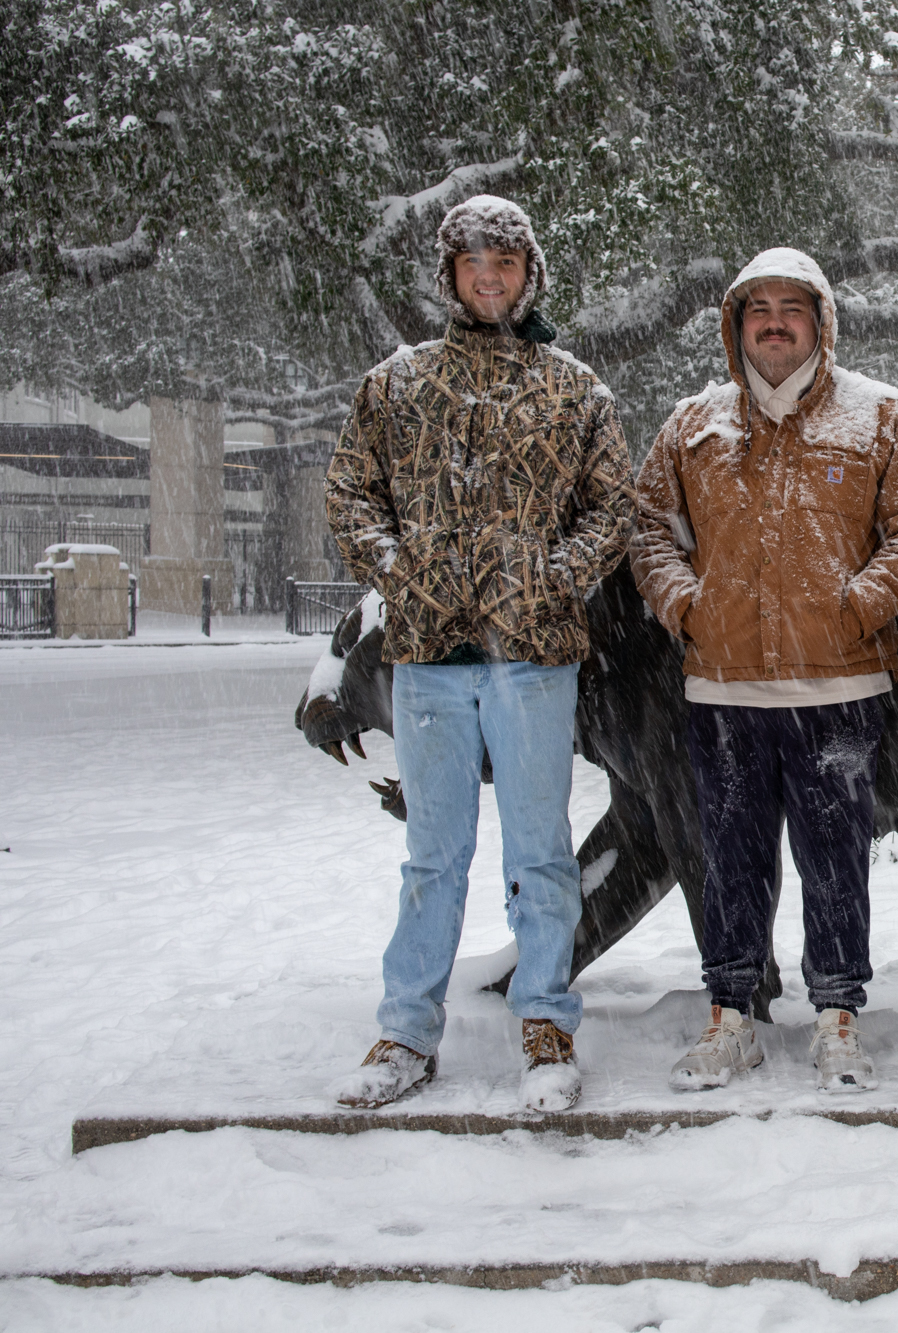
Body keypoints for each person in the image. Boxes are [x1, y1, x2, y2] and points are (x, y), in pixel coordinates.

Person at [325, 195, 634, 1113]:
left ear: (528, 272)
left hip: (534, 655)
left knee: (538, 849)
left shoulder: (576, 389)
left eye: (504, 260)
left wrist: (555, 572)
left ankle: (546, 1019)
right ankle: (407, 1027)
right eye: (472, 263)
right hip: (428, 655)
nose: (489, 275)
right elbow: (350, 495)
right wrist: (397, 570)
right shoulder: (398, 383)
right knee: (434, 851)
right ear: (450, 277)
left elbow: (611, 508)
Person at [630, 248, 898, 1094]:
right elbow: (648, 528)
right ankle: (731, 1016)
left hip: (839, 689)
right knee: (730, 859)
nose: (774, 320)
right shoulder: (694, 424)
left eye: (791, 307)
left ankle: (839, 1015)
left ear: (820, 321)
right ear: (736, 325)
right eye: (757, 307)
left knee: (835, 860)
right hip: (724, 689)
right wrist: (689, 608)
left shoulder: (878, 415)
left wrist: (858, 604)